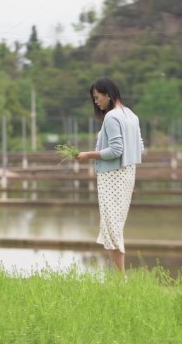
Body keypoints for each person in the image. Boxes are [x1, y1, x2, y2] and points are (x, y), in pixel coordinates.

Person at [76, 77, 143, 278]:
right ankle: (119, 278)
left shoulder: (112, 117)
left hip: (111, 177)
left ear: (108, 94)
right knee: (114, 225)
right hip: (127, 174)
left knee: (112, 227)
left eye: (97, 98)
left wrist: (88, 155)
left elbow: (115, 150)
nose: (96, 102)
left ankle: (120, 279)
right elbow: (139, 146)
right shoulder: (131, 114)